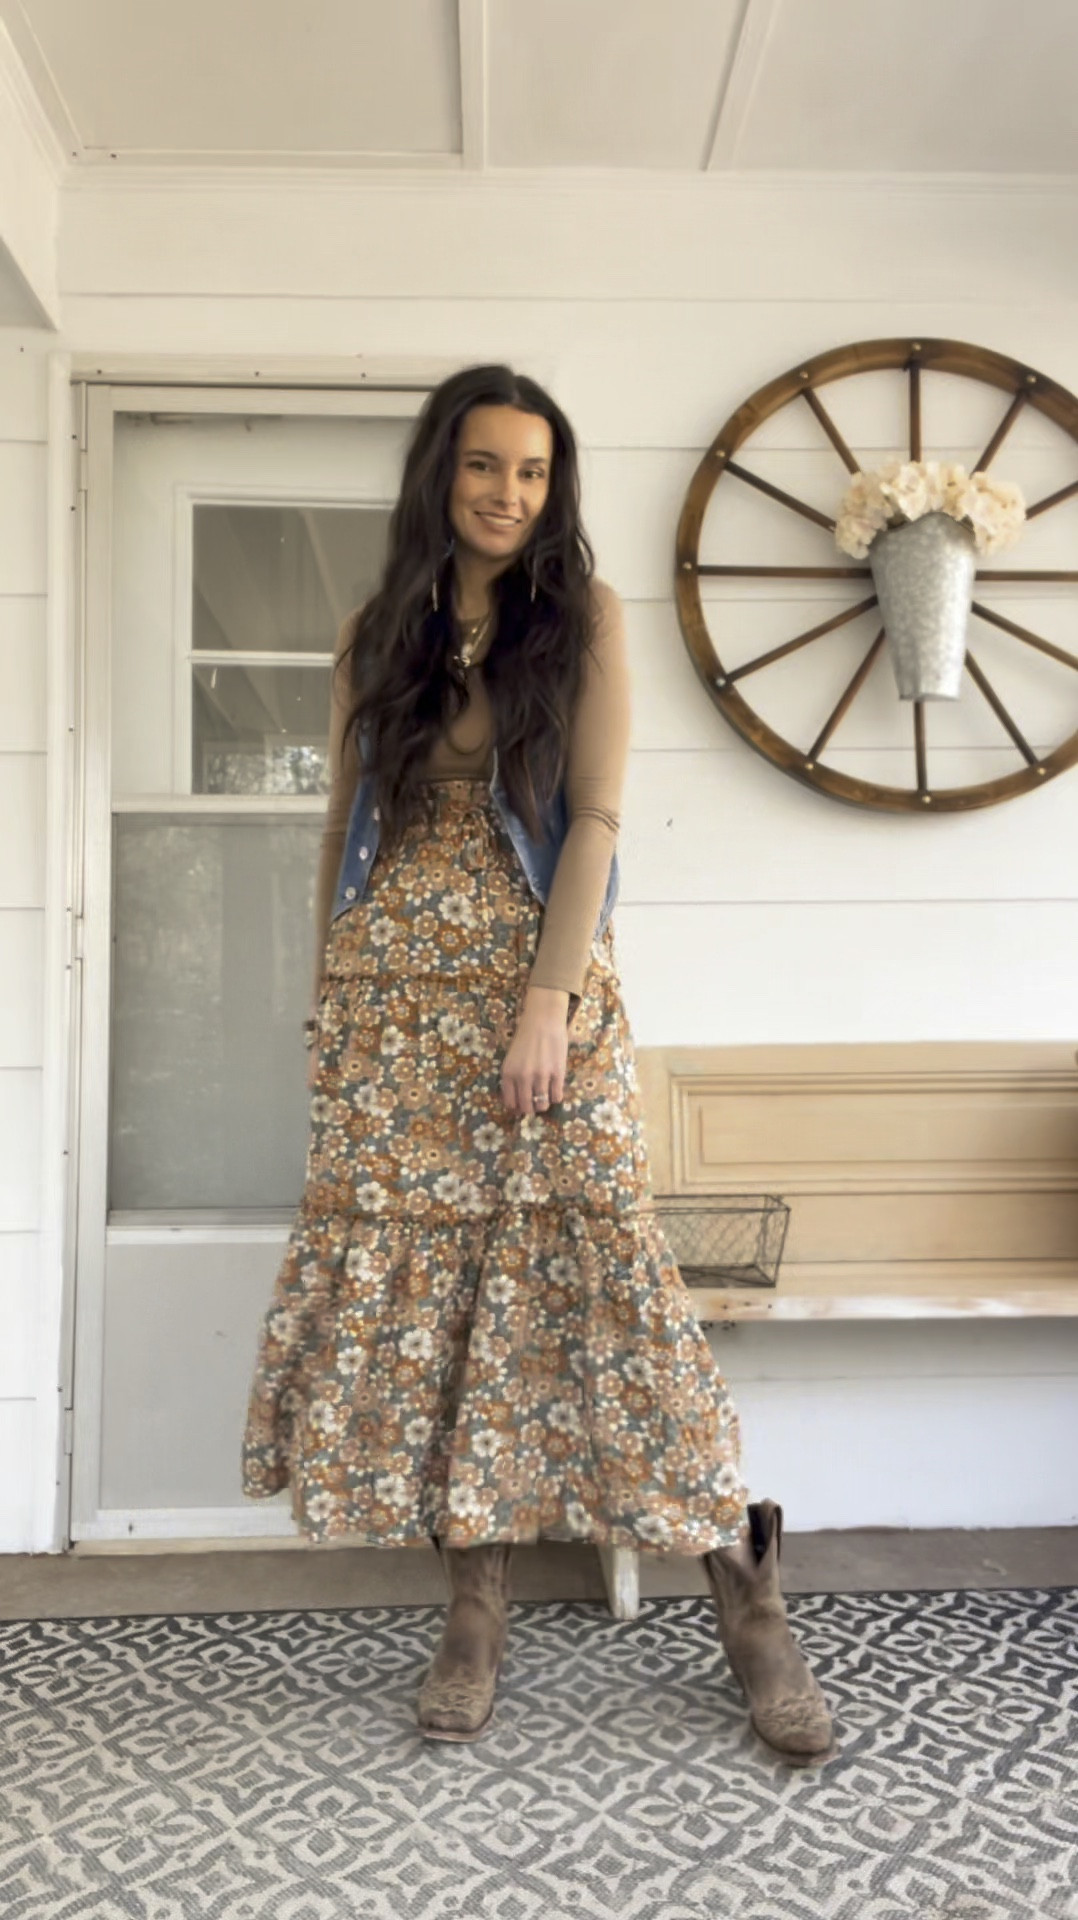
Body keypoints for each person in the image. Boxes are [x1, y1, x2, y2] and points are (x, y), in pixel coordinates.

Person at [241, 365, 834, 1766]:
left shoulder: (584, 622)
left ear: (553, 487)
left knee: (609, 1292)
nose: (507, 494)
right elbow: (344, 827)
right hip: (392, 1010)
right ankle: (474, 1606)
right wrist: (331, 1005)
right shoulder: (371, 631)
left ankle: (746, 1600)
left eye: (531, 471)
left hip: (530, 993)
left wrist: (547, 1004)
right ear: (437, 475)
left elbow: (599, 816)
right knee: (447, 1309)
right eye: (482, 467)